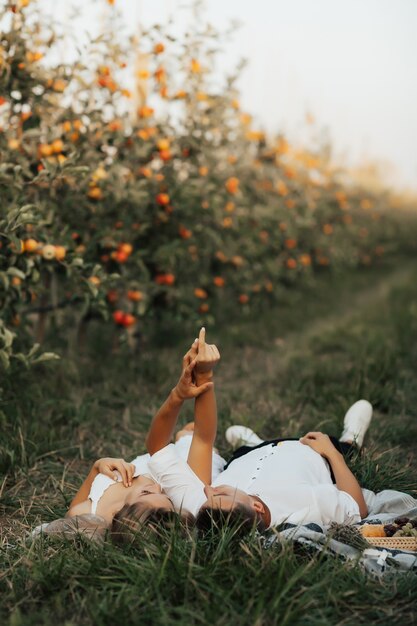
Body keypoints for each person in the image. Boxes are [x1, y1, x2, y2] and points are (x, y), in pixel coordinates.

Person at [147, 329, 372, 532]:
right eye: (221, 493)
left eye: (208, 497)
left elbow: (172, 445)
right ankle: (352, 436)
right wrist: (332, 454)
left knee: (243, 450)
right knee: (344, 449)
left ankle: (255, 442)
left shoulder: (207, 509)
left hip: (247, 455)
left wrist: (201, 377)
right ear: (256, 507)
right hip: (308, 447)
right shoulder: (306, 505)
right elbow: (357, 508)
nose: (207, 491)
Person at [64, 337, 220, 541]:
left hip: (160, 452)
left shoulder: (92, 512)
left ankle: (183, 438)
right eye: (165, 497)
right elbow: (203, 438)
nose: (157, 488)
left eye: (146, 495)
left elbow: (72, 511)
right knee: (192, 439)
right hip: (184, 464)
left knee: (180, 440)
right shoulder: (184, 494)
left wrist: (97, 467)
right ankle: (189, 440)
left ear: (118, 514)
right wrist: (203, 375)